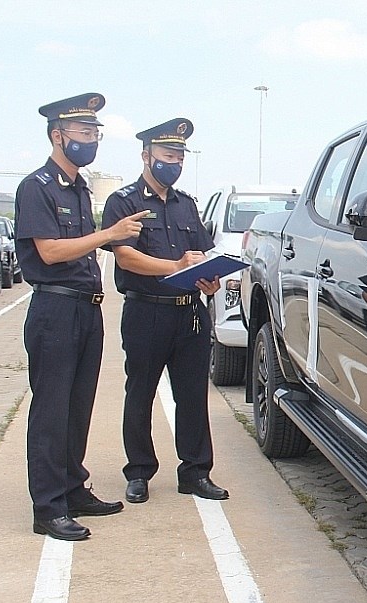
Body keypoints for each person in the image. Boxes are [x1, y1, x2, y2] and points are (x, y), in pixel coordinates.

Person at [15, 93, 146, 541]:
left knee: (77, 407)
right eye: (83, 132)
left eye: (95, 133)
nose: (91, 140)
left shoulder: (79, 188)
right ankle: (48, 507)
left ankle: (73, 489)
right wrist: (109, 234)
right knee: (51, 410)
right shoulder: (37, 187)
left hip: (86, 308)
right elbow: (50, 252)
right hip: (55, 310)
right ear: (58, 135)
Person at [101, 118, 228, 504]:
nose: (174, 162)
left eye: (179, 157)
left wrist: (209, 280)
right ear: (146, 156)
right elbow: (126, 258)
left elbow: (201, 254)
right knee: (140, 393)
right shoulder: (123, 202)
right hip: (146, 313)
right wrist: (175, 266)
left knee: (192, 395)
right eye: (168, 155)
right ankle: (139, 471)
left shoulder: (186, 204)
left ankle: (195, 472)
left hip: (189, 313)